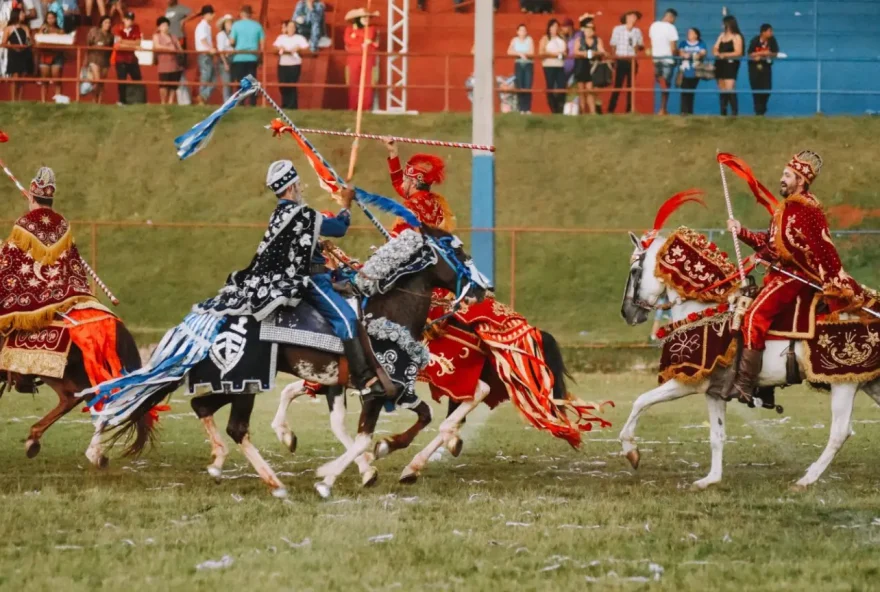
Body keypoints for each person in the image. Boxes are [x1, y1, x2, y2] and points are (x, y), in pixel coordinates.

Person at [194, 160, 386, 399]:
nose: (301, 188)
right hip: (313, 279)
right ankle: (365, 380)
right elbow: (338, 228)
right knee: (347, 319)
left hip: (316, 273)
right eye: (298, 184)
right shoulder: (300, 213)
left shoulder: (281, 214)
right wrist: (346, 205)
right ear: (291, 187)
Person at [725, 151, 864, 402]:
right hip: (780, 275)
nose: (782, 179)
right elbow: (768, 244)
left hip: (796, 279)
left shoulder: (808, 209)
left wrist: (829, 278)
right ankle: (766, 386)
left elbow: (821, 249)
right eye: (783, 174)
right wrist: (741, 231)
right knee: (746, 310)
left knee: (755, 317)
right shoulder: (784, 209)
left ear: (801, 179)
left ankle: (746, 385)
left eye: (787, 175)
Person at [0, 167, 94, 336]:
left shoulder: (23, 225)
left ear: (31, 198)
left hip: (33, 300)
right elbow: (73, 264)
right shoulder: (63, 225)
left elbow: (9, 265)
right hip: (65, 295)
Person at [383, 138, 455, 234]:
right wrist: (393, 152)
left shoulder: (411, 205)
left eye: (404, 180)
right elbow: (398, 182)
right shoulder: (436, 202)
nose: (402, 184)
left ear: (413, 183)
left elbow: (399, 237)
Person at [343, 8, 379, 111]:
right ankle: (352, 107)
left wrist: (356, 34)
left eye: (368, 17)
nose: (367, 19)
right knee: (353, 83)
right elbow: (348, 41)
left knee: (367, 83)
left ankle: (366, 107)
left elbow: (369, 37)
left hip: (368, 58)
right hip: (353, 58)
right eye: (364, 17)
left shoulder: (371, 28)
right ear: (358, 19)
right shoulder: (348, 29)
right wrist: (363, 42)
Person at [608, 10, 644, 114]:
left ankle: (629, 109)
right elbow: (613, 44)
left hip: (632, 60)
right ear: (627, 17)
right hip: (621, 59)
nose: (634, 18)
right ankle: (611, 109)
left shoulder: (637, 31)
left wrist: (639, 46)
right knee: (617, 85)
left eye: (635, 17)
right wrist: (614, 58)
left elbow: (640, 45)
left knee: (631, 86)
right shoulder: (618, 29)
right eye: (632, 16)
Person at [229, 4, 264, 106]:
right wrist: (260, 57)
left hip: (239, 57)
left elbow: (232, 41)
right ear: (251, 14)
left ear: (241, 14)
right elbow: (262, 44)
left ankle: (240, 103)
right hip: (252, 57)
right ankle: (253, 103)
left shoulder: (236, 25)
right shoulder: (257, 26)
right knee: (252, 81)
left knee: (240, 82)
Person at [649, 8, 678, 115]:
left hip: (656, 58)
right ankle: (663, 109)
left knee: (661, 82)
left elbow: (653, 41)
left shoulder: (653, 26)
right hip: (667, 59)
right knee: (666, 85)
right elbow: (673, 47)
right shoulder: (671, 28)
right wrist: (676, 57)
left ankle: (662, 109)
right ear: (671, 17)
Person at [273, 19, 308, 109]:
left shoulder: (299, 38)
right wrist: (279, 48)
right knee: (283, 85)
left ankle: (292, 106)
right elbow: (274, 49)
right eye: (290, 27)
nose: (291, 29)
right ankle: (285, 104)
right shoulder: (281, 38)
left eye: (293, 27)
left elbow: (307, 49)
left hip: (295, 64)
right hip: (283, 64)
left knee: (292, 85)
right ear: (286, 28)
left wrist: (298, 48)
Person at [713, 14, 743, 116]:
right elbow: (715, 47)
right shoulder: (721, 35)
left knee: (730, 87)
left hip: (730, 64)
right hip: (719, 64)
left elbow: (738, 52)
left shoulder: (736, 36)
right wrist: (716, 52)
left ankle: (734, 112)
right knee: (722, 88)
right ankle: (723, 112)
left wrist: (724, 55)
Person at [573, 15, 604, 115]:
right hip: (581, 65)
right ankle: (582, 112)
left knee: (590, 90)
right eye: (587, 30)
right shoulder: (579, 40)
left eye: (591, 30)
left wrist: (596, 53)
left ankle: (592, 112)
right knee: (581, 91)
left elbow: (601, 51)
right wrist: (585, 54)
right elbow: (575, 51)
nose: (589, 32)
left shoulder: (597, 40)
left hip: (592, 67)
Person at [748, 23, 779, 116]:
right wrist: (761, 53)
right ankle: (758, 112)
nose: (771, 33)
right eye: (770, 31)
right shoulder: (755, 40)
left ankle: (763, 108)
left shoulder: (772, 40)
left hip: (766, 68)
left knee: (767, 89)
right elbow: (750, 53)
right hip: (754, 69)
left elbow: (775, 53)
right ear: (763, 32)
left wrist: (768, 54)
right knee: (756, 90)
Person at [114, 11, 143, 106]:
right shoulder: (117, 28)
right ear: (123, 19)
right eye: (127, 19)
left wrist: (124, 42)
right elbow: (118, 45)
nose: (129, 21)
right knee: (121, 80)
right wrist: (133, 45)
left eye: (131, 19)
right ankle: (122, 101)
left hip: (132, 59)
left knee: (138, 79)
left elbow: (138, 42)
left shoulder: (136, 27)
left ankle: (139, 100)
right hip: (120, 59)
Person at [2, 9, 32, 102]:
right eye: (22, 13)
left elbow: (28, 40)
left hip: (24, 53)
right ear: (16, 15)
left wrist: (29, 43)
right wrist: (14, 47)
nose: (23, 15)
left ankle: (20, 99)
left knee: (22, 77)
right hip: (13, 54)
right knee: (15, 77)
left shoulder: (25, 27)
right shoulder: (8, 28)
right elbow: (4, 43)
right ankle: (13, 99)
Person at [538, 18, 566, 114]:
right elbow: (541, 52)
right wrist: (554, 54)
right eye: (553, 26)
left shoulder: (562, 38)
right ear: (549, 28)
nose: (555, 28)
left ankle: (560, 108)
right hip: (549, 65)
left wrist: (562, 54)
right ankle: (553, 109)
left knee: (562, 86)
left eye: (556, 27)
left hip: (560, 65)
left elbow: (566, 52)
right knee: (550, 86)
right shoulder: (545, 38)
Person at [153, 16, 182, 104]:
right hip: (163, 65)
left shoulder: (173, 36)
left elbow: (179, 48)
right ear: (159, 27)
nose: (165, 27)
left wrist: (177, 49)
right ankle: (163, 102)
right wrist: (169, 48)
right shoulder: (156, 36)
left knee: (173, 85)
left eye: (166, 25)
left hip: (174, 64)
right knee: (163, 85)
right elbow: (157, 46)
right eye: (163, 25)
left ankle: (170, 102)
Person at [677, 27, 707, 115]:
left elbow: (702, 53)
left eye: (691, 32)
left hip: (695, 70)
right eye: (688, 32)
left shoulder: (701, 44)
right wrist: (688, 55)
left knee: (691, 91)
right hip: (684, 70)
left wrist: (693, 55)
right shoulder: (683, 43)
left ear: (696, 35)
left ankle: (690, 111)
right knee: (684, 90)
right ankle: (683, 111)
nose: (689, 34)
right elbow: (681, 52)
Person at [36, 10, 63, 102]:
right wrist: (42, 31)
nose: (50, 20)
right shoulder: (43, 28)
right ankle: (43, 101)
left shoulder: (60, 30)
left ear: (55, 19)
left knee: (57, 79)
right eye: (48, 18)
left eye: (52, 18)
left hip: (57, 56)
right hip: (45, 55)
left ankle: (58, 99)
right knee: (44, 80)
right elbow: (38, 41)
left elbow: (64, 43)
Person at [507, 23, 534, 114]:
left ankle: (527, 108)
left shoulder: (529, 40)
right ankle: (521, 108)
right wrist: (520, 54)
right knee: (519, 85)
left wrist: (521, 53)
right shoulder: (514, 40)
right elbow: (509, 51)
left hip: (528, 64)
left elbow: (531, 52)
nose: (523, 32)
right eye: (521, 30)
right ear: (517, 32)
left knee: (527, 86)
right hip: (518, 64)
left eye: (524, 30)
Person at [85, 15, 113, 103]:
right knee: (97, 80)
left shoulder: (111, 36)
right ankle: (94, 100)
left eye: (109, 23)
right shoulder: (94, 31)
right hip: (94, 59)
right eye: (106, 22)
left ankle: (99, 102)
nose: (108, 25)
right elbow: (87, 45)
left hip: (105, 61)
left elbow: (111, 49)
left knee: (101, 83)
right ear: (101, 23)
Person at [194, 4, 216, 105]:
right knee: (206, 77)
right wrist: (210, 48)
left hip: (207, 54)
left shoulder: (205, 26)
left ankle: (202, 97)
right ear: (207, 14)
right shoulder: (203, 26)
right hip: (205, 54)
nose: (213, 16)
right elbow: (202, 40)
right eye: (211, 14)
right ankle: (201, 98)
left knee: (212, 79)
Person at [215, 13, 234, 101]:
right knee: (227, 82)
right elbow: (221, 50)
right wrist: (225, 63)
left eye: (230, 23)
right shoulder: (220, 35)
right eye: (227, 23)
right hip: (225, 59)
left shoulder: (233, 35)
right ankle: (226, 102)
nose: (229, 25)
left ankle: (229, 102)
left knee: (231, 82)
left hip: (232, 58)